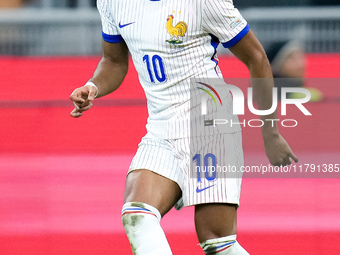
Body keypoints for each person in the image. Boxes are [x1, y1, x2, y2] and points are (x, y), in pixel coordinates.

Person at [70, 0, 298, 254]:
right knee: (137, 215)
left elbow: (256, 57)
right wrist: (92, 86)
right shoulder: (112, 2)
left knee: (217, 243)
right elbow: (113, 61)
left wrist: (270, 132)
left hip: (210, 125)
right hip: (160, 126)